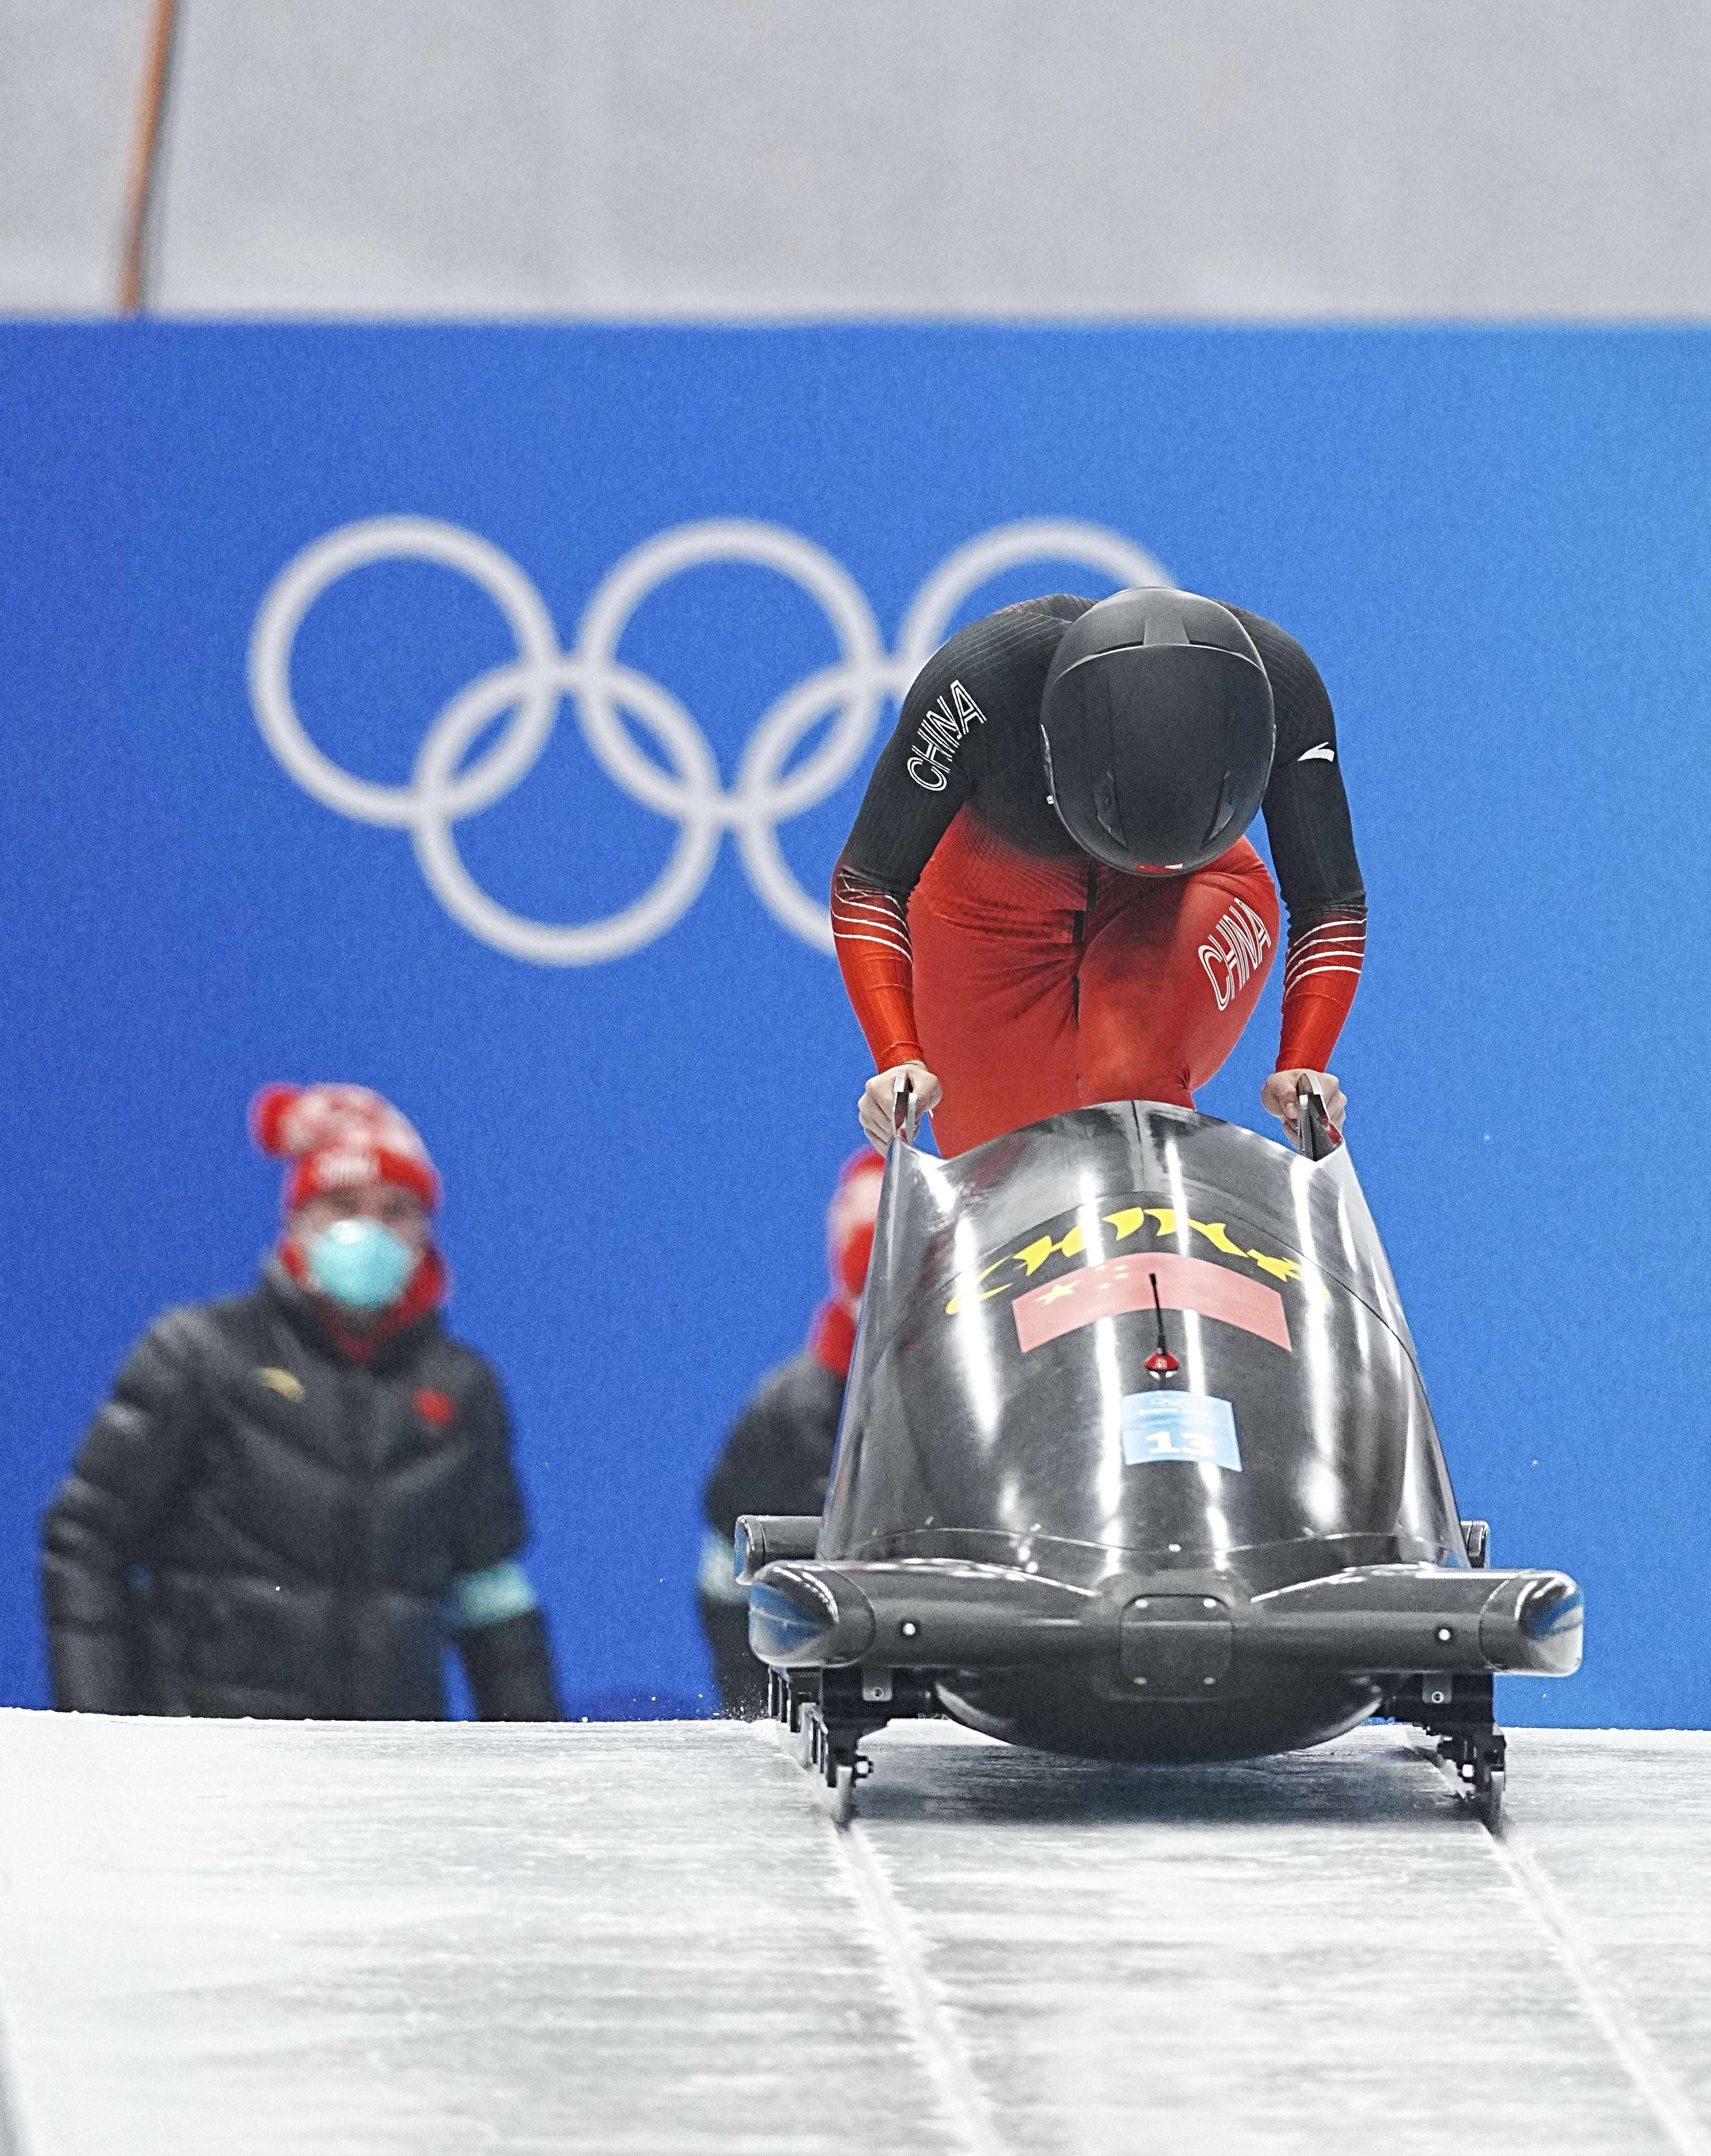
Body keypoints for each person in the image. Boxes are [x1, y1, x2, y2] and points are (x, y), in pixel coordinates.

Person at [40, 1083, 561, 1722]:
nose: (368, 1231)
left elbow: (491, 1593)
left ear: (426, 1231)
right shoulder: (197, 1355)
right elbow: (86, 1541)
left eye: (395, 1209)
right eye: (342, 1205)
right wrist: (98, 1732)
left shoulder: (462, 1388)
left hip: (389, 1772)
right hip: (206, 1758)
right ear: (298, 1219)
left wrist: (541, 1775)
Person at [830, 587, 1366, 1157]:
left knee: (1129, 1073)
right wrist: (898, 1060)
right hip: (984, 916)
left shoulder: (1284, 689)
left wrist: (1302, 1067)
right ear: (1053, 753)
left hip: (1188, 892)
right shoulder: (980, 687)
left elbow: (1328, 901)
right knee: (1009, 1176)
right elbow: (870, 880)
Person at [697, 1152, 883, 1715]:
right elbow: (725, 1589)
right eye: (865, 1289)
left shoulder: (971, 1411)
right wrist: (761, 1716)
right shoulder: (783, 1413)